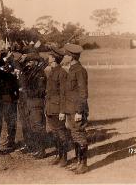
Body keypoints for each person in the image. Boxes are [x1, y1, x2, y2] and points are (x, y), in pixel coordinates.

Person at [59, 43, 89, 174]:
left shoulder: (79, 71)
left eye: (66, 54)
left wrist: (79, 111)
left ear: (71, 57)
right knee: (74, 135)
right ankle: (78, 162)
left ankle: (83, 165)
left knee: (79, 135)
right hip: (70, 109)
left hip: (77, 109)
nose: (64, 56)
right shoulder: (71, 70)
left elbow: (83, 93)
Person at [45, 47, 69, 167]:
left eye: (49, 56)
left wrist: (62, 111)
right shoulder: (52, 71)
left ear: (54, 58)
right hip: (50, 108)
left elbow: (64, 93)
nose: (48, 57)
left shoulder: (62, 73)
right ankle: (58, 156)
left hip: (58, 108)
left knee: (61, 133)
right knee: (54, 133)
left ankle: (64, 157)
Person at [22, 52, 47, 158]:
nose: (28, 63)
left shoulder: (40, 73)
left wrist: (28, 91)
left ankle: (41, 150)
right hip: (31, 101)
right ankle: (37, 148)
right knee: (33, 126)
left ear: (36, 62)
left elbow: (40, 90)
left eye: (30, 61)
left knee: (38, 126)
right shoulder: (31, 71)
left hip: (36, 101)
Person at [0, 52, 19, 151]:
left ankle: (11, 141)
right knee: (8, 120)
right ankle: (10, 139)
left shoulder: (10, 68)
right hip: (5, 98)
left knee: (11, 121)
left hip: (10, 98)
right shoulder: (4, 69)